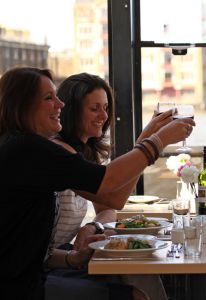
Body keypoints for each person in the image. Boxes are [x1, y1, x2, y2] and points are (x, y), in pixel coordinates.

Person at [0, 67, 195, 300]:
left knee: (132, 276)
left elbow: (112, 198)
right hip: (20, 288)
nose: (59, 104)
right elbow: (108, 185)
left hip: (30, 275)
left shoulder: (21, 146)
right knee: (135, 294)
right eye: (48, 98)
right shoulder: (31, 150)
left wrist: (73, 258)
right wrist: (158, 140)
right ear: (22, 105)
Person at [44, 73, 168, 300]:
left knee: (137, 269)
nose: (104, 116)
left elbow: (106, 208)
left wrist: (94, 226)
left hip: (63, 256)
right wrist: (152, 143)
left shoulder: (85, 154)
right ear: (72, 111)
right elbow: (115, 198)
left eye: (106, 107)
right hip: (46, 268)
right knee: (135, 288)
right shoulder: (58, 151)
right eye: (94, 109)